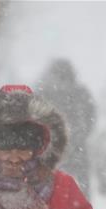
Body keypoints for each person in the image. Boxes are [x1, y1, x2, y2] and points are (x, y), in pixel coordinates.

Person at [37, 59, 97, 195]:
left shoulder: (46, 93)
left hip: (55, 147)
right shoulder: (80, 93)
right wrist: (82, 133)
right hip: (75, 146)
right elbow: (90, 116)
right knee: (81, 185)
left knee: (52, 187)